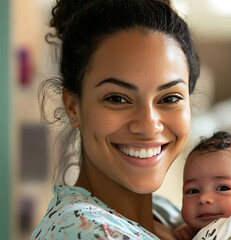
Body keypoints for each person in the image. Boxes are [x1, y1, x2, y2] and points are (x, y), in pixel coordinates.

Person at [31, 0, 200, 239]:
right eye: (117, 99)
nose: (149, 124)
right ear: (72, 107)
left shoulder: (167, 214)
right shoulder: (89, 233)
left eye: (170, 98)